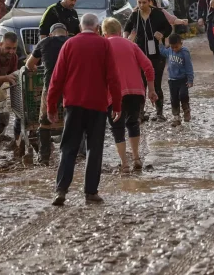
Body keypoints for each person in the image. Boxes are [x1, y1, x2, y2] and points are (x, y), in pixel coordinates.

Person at [48, 13, 121, 206]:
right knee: (94, 149)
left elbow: (56, 78)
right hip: (97, 106)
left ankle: (61, 191)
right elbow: (113, 77)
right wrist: (117, 105)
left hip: (73, 104)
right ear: (97, 28)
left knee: (68, 147)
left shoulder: (69, 45)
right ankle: (90, 192)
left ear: (81, 27)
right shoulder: (104, 45)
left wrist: (51, 105)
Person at [101, 18, 156, 172]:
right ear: (119, 32)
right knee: (133, 123)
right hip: (136, 92)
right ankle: (137, 158)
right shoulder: (132, 45)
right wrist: (151, 89)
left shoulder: (103, 47)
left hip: (114, 95)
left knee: (117, 127)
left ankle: (124, 163)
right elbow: (148, 67)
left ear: (104, 34)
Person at [25, 23, 69, 165]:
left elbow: (29, 65)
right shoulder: (71, 42)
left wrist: (36, 68)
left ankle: (44, 158)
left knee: (44, 122)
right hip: (71, 86)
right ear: (66, 33)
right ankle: (75, 154)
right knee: (73, 119)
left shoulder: (44, 42)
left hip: (51, 85)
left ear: (51, 34)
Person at [124, 0, 172, 119]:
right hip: (139, 53)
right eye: (139, 2)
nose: (141, 5)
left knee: (156, 83)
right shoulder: (135, 15)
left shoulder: (158, 14)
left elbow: (168, 28)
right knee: (141, 84)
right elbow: (127, 28)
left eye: (144, 2)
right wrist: (127, 38)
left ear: (150, 2)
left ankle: (159, 112)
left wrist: (162, 33)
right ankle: (140, 112)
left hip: (157, 54)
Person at [158, 33, 194, 125]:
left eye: (176, 47)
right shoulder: (169, 51)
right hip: (172, 80)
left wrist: (190, 80)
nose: (174, 49)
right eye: (172, 47)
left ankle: (186, 110)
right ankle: (176, 117)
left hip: (183, 79)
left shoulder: (185, 52)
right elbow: (162, 51)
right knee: (174, 99)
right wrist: (159, 40)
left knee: (183, 95)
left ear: (181, 43)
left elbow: (189, 66)